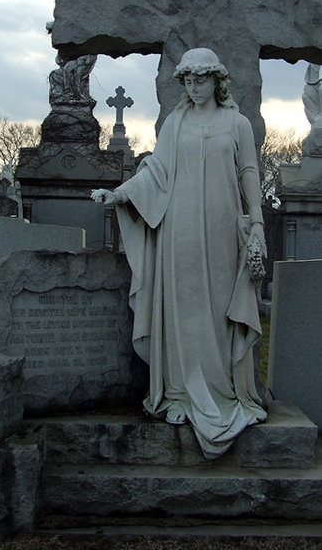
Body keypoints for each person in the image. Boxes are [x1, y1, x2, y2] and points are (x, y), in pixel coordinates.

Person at [92, 48, 267, 458]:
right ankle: (181, 393)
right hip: (180, 229)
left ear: (217, 81)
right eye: (187, 80)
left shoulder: (237, 124)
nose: (193, 86)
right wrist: (119, 193)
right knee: (186, 309)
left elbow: (249, 173)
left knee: (220, 310)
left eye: (200, 79)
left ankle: (223, 391)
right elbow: (156, 172)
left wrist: (256, 224)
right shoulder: (176, 122)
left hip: (223, 228)